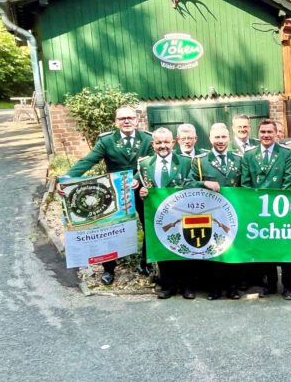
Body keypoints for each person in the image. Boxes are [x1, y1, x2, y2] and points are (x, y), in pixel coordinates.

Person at [58, 105, 153, 285]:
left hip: (140, 189)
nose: (126, 121)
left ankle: (145, 262)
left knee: (148, 224)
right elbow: (88, 161)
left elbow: (151, 163)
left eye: (130, 118)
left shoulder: (148, 139)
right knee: (109, 228)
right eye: (122, 118)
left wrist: (136, 179)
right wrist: (67, 179)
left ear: (137, 120)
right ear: (116, 122)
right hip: (115, 191)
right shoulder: (107, 141)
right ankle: (109, 269)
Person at [186, 123, 243, 300]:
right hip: (209, 213)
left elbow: (246, 185)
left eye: (223, 137)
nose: (220, 141)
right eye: (217, 137)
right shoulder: (200, 161)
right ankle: (214, 288)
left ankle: (233, 288)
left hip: (233, 213)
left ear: (229, 138)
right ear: (210, 139)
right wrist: (204, 183)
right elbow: (187, 183)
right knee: (212, 250)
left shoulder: (239, 159)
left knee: (232, 250)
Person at [136, 128, 194, 299]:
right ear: (152, 144)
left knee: (185, 247)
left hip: (182, 213)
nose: (163, 146)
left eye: (166, 142)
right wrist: (142, 192)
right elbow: (140, 185)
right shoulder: (145, 164)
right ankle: (168, 286)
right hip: (159, 215)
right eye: (159, 142)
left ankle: (187, 286)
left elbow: (193, 183)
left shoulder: (185, 162)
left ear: (173, 143)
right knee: (163, 248)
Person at [241, 119, 291, 299]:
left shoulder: (285, 153)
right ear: (258, 134)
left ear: (276, 133)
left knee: (285, 249)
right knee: (266, 249)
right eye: (263, 132)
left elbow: (288, 181)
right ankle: (271, 285)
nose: (266, 135)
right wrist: (256, 206)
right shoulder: (249, 155)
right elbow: (246, 183)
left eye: (269, 132)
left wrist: (279, 206)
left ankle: (287, 287)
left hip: (280, 209)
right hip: (259, 210)